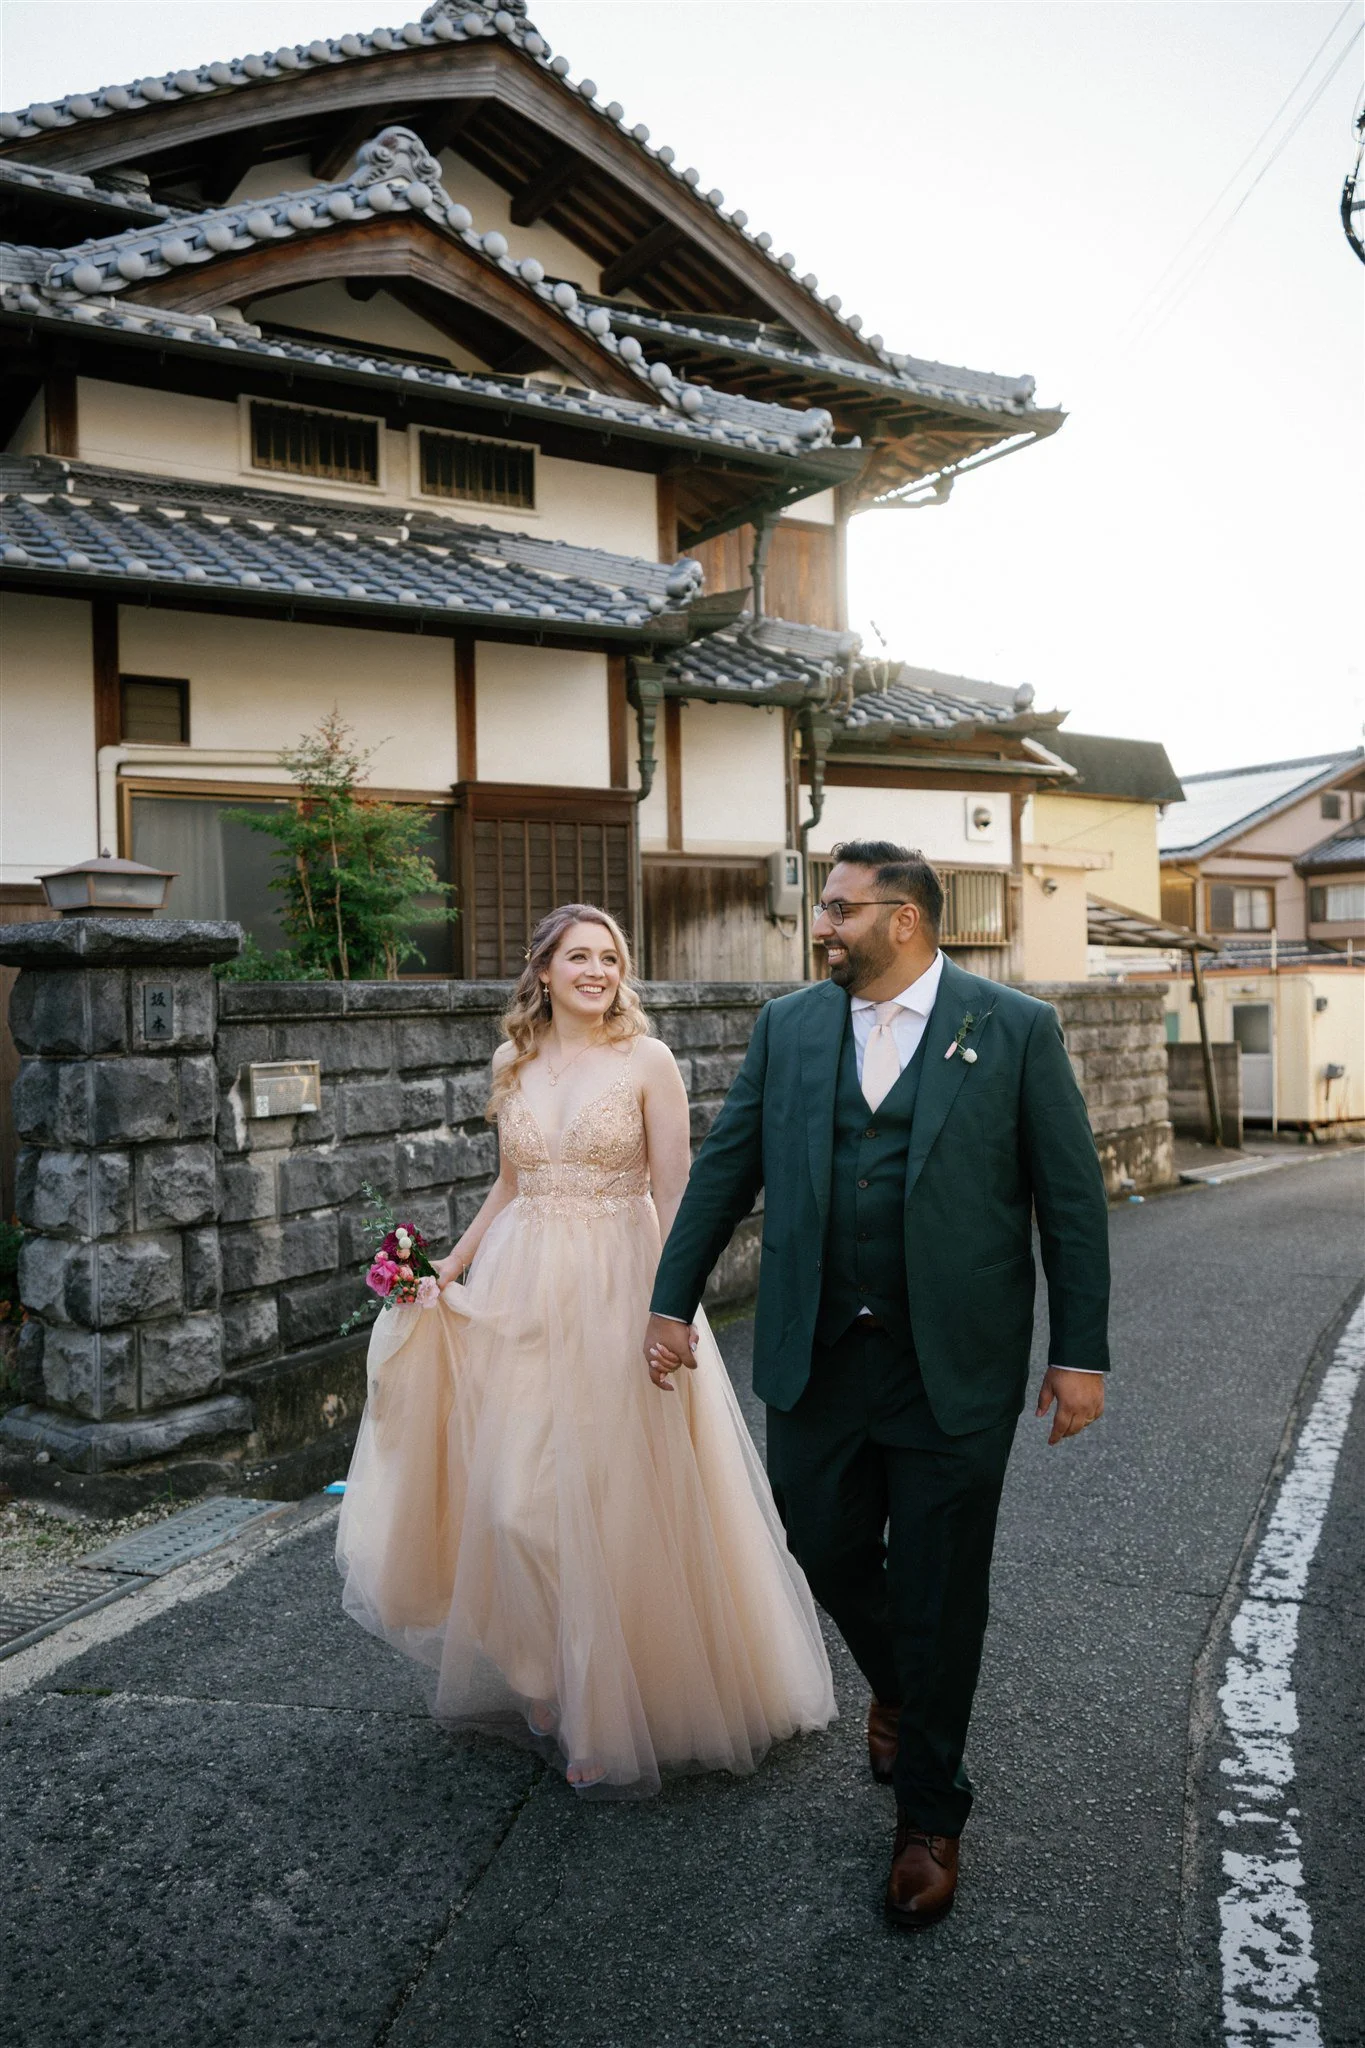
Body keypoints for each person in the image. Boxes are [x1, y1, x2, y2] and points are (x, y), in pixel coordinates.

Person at [644, 841, 1109, 1925]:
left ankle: (929, 1816)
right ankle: (902, 1683)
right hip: (819, 1347)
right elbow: (724, 1169)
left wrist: (1079, 1352)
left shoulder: (1015, 1030)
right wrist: (672, 1299)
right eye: (823, 907)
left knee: (945, 1582)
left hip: (955, 1361)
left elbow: (1071, 1204)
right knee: (822, 1536)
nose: (822, 925)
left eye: (841, 908)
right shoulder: (789, 1027)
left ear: (905, 919)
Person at [336, 902, 835, 1795]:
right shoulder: (511, 1059)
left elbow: (680, 1191)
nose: (598, 971)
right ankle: (542, 1671)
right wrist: (446, 1266)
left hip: (621, 1283)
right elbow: (507, 1184)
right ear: (543, 970)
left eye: (610, 957)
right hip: (523, 1288)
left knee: (611, 1497)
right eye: (579, 957)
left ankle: (597, 1703)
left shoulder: (648, 1060)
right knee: (513, 1499)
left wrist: (675, 1307)